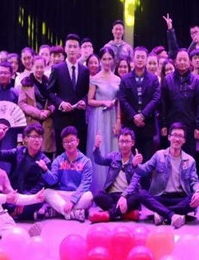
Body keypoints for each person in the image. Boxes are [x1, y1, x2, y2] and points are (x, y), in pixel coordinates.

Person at [128, 123, 199, 229]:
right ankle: (173, 215)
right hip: (161, 197)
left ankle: (162, 214)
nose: (177, 139)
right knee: (140, 193)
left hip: (180, 198)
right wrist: (135, 165)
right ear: (169, 137)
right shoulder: (159, 155)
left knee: (193, 198)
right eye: (174, 135)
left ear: (184, 140)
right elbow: (143, 171)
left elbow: (194, 181)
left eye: (180, 136)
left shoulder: (190, 160)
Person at [0, 123, 51, 221]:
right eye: (34, 136)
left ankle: (14, 214)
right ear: (25, 139)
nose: (37, 140)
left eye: (40, 137)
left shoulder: (45, 161)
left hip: (30, 196)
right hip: (13, 193)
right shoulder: (18, 152)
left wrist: (24, 200)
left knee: (37, 201)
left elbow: (40, 185)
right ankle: (18, 214)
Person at [38, 126, 94, 221]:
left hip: (78, 194)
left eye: (72, 140)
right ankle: (73, 213)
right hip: (62, 194)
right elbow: (53, 181)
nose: (69, 144)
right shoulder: (58, 160)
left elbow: (85, 184)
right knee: (46, 193)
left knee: (89, 196)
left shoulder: (86, 161)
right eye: (66, 141)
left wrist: (72, 201)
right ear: (63, 145)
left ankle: (58, 210)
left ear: (77, 141)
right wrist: (45, 170)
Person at [89, 129, 144, 222]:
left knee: (138, 196)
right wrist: (97, 147)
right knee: (98, 196)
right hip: (112, 196)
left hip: (128, 197)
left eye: (127, 141)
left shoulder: (136, 160)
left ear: (133, 143)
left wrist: (135, 166)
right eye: (122, 141)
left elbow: (135, 184)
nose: (124, 145)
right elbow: (99, 160)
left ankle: (108, 215)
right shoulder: (113, 156)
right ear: (118, 142)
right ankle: (126, 214)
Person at [86, 47, 121, 193]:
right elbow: (90, 101)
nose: (107, 62)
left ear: (113, 60)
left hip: (112, 115)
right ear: (100, 60)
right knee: (100, 147)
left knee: (113, 147)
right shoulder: (95, 78)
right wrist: (103, 102)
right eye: (104, 59)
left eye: (109, 59)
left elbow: (119, 102)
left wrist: (118, 120)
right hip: (99, 116)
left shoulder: (118, 79)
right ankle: (98, 189)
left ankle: (113, 188)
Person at [47, 33, 90, 154]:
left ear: (79, 50)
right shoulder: (57, 69)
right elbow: (49, 92)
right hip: (62, 119)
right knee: (62, 155)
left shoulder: (85, 70)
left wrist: (84, 102)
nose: (72, 49)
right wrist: (61, 103)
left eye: (75, 47)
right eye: (69, 46)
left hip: (79, 120)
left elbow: (86, 93)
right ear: (65, 49)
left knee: (79, 154)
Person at [118, 47, 161, 160]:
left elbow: (156, 99)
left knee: (146, 160)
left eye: (143, 57)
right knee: (130, 159)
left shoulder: (154, 79)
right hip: (130, 125)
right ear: (133, 58)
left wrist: (142, 115)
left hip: (147, 125)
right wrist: (134, 116)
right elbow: (122, 99)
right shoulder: (125, 78)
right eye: (138, 57)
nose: (140, 59)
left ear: (146, 59)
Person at [161, 49, 199, 156]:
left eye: (185, 60)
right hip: (171, 125)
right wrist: (163, 125)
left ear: (189, 62)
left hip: (190, 126)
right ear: (175, 62)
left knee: (188, 157)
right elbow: (163, 104)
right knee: (171, 155)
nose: (182, 62)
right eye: (179, 59)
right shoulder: (167, 80)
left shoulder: (196, 80)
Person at [18, 56, 56, 158]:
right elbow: (22, 103)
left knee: (46, 155)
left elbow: (54, 101)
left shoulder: (49, 82)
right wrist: (38, 113)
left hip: (47, 122)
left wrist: (48, 111)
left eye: (41, 67)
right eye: (37, 67)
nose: (39, 70)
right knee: (31, 153)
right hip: (32, 121)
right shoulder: (26, 83)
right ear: (32, 67)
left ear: (45, 67)